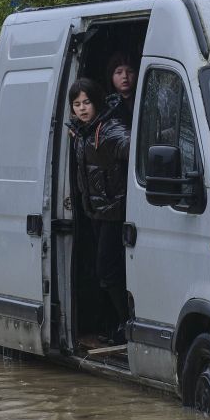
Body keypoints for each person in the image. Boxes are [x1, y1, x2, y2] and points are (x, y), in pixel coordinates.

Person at [66, 78, 132, 345]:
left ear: (97, 102)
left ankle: (127, 324)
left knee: (108, 270)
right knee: (102, 271)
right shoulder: (82, 132)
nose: (82, 109)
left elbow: (131, 145)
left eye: (87, 103)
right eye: (77, 104)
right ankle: (115, 324)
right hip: (95, 211)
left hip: (115, 212)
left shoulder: (109, 130)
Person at [105, 52, 138, 127]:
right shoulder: (107, 105)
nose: (125, 76)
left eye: (130, 71)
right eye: (119, 72)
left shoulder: (144, 99)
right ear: (111, 76)